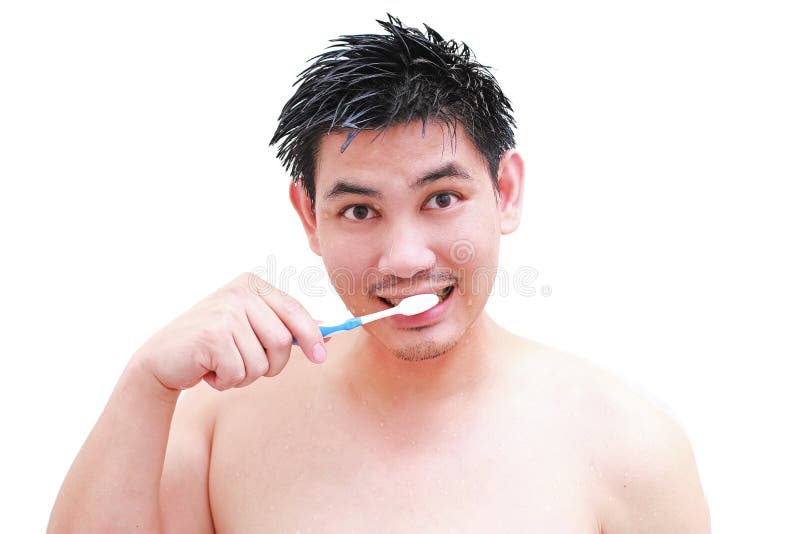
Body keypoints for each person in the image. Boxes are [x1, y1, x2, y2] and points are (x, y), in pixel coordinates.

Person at [48, 14, 710, 533]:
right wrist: (144, 385)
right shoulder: (217, 419)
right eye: (360, 209)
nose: (404, 258)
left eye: (441, 199)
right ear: (309, 216)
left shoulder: (630, 448)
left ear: (505, 193)